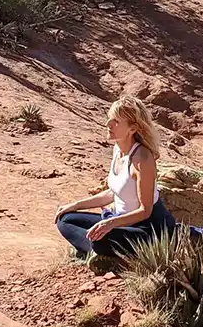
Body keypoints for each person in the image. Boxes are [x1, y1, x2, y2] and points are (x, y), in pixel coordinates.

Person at [55, 95, 177, 258]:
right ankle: (97, 251)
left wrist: (110, 223)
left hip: (146, 228)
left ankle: (97, 250)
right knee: (65, 219)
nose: (108, 124)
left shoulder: (142, 159)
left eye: (116, 122)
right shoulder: (118, 150)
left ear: (133, 128)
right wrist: (75, 205)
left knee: (101, 239)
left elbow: (145, 211)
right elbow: (113, 193)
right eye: (109, 119)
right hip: (120, 221)